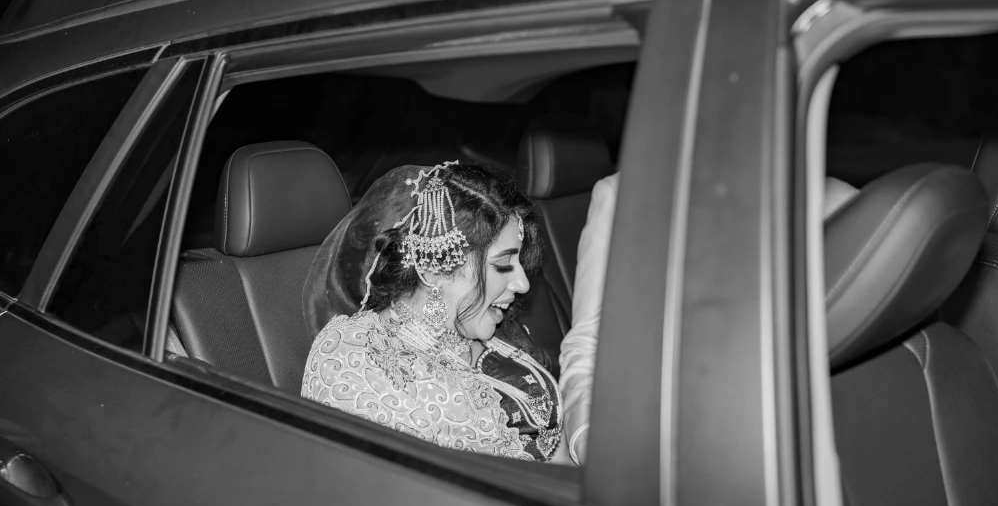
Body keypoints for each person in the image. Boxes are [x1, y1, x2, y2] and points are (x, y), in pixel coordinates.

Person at [559, 172, 860, 464]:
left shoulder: (832, 201)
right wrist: (590, 440)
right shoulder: (623, 197)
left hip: (808, 427)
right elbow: (587, 344)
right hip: (673, 434)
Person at [301, 161, 564, 462]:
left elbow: (559, 448)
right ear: (434, 269)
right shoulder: (358, 358)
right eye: (503, 265)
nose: (523, 283)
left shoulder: (494, 327)